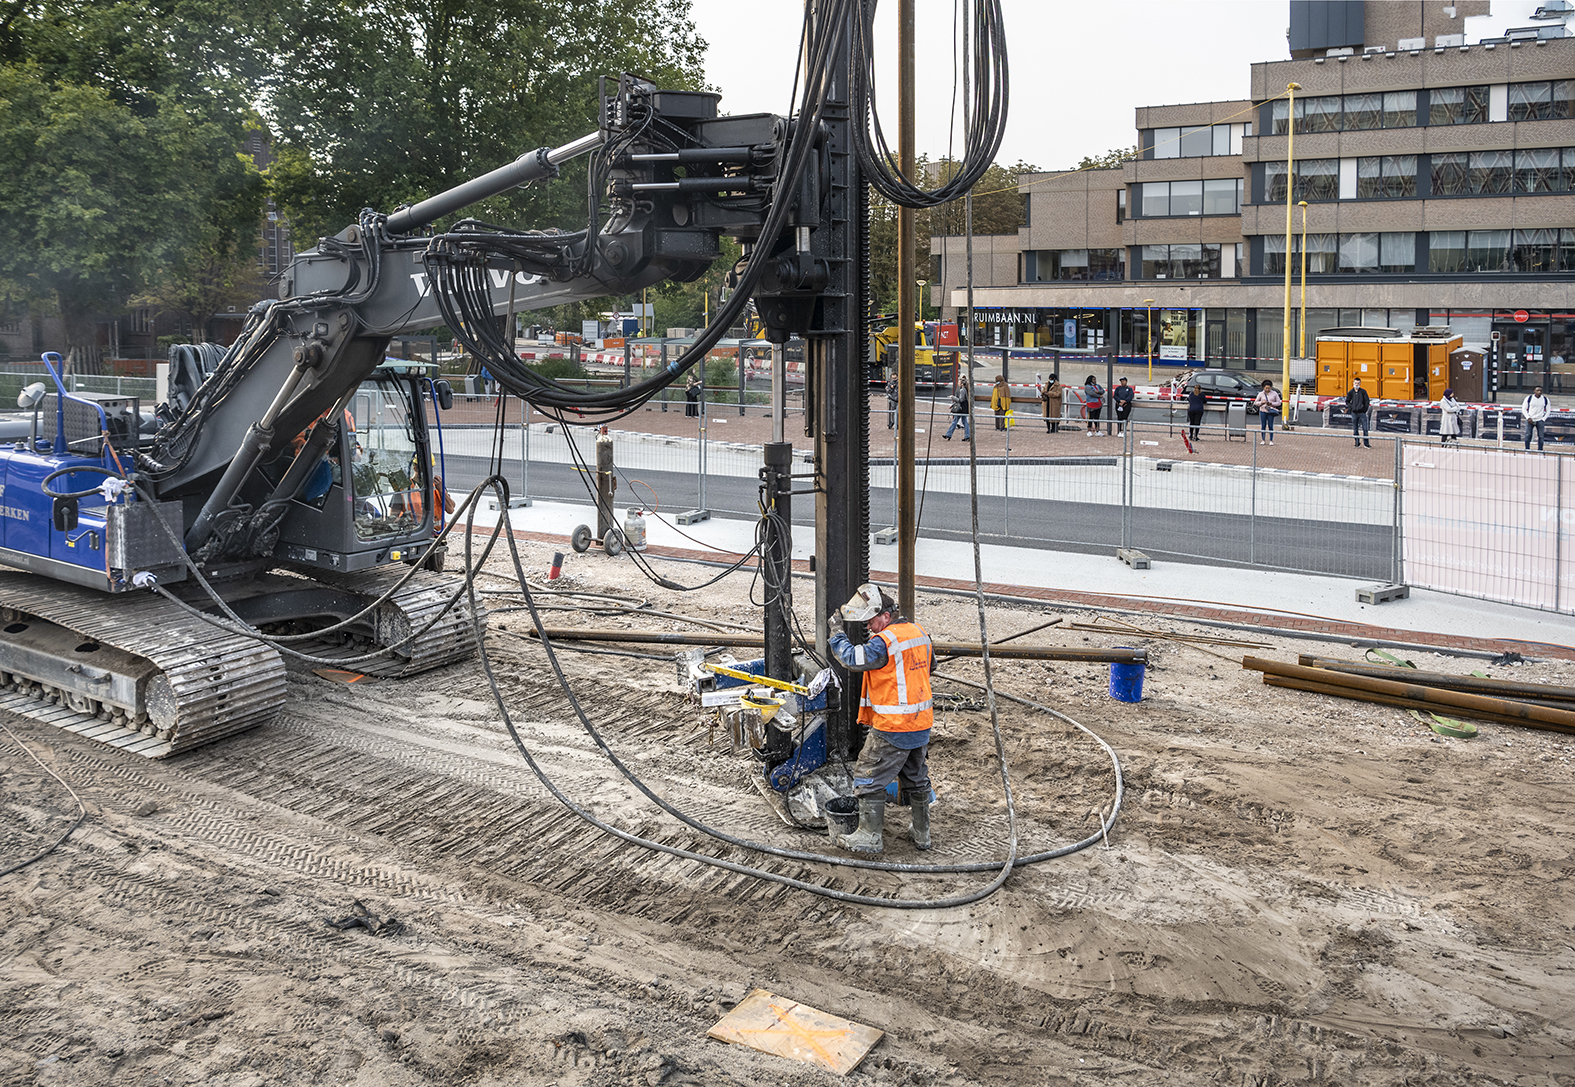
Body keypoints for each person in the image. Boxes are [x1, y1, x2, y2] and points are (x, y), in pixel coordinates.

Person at [826, 584, 935, 853]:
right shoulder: (919, 633)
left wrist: (836, 633)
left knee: (867, 775)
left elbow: (852, 658)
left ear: (886, 615)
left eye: (872, 620)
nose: (870, 627)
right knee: (916, 776)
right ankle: (922, 834)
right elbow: (930, 666)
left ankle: (869, 837)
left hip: (894, 726)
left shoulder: (885, 641)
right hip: (920, 723)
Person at [1253, 379, 1282, 445]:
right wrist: (1262, 402)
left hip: (1271, 411)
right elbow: (1256, 402)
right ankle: (1263, 439)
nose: (1267, 389)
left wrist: (1271, 403)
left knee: (1270, 425)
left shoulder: (1274, 393)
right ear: (1264, 387)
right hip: (1263, 410)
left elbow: (1279, 403)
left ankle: (1271, 440)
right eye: (1266, 388)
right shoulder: (1260, 394)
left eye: (1269, 388)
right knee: (1263, 425)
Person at [1522, 385, 1551, 451]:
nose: (1539, 392)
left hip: (1540, 420)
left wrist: (1543, 419)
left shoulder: (1545, 399)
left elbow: (1548, 410)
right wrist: (1528, 417)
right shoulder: (1529, 398)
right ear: (1534, 391)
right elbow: (1524, 409)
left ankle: (1540, 450)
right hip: (1530, 419)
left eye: (1540, 391)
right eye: (1537, 390)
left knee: (1541, 436)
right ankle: (1527, 449)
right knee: (1528, 435)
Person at [1346, 377, 1371, 448]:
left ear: (1360, 384)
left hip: (1362, 413)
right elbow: (1347, 401)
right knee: (1355, 428)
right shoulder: (1350, 392)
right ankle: (1357, 443)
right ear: (1353, 383)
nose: (1357, 384)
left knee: (1365, 428)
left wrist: (1364, 409)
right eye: (1355, 383)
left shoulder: (1363, 392)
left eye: (1358, 383)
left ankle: (1366, 444)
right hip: (1354, 413)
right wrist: (1352, 407)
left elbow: (1367, 401)